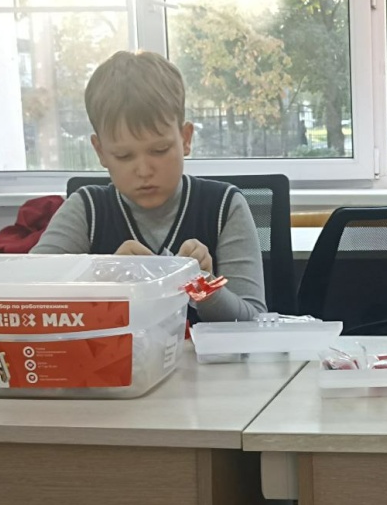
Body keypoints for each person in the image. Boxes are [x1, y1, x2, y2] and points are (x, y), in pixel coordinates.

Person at [32, 50, 266, 322]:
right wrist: (103, 279)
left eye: (159, 150)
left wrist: (206, 288)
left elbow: (254, 321)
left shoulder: (224, 207)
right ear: (100, 152)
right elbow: (25, 299)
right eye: (124, 156)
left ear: (185, 139)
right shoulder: (86, 211)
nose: (144, 170)